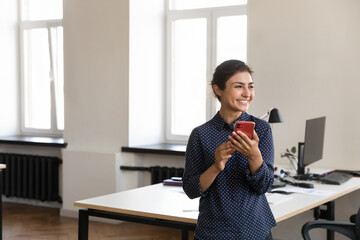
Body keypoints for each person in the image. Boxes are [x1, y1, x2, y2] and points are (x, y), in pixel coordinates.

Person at [182, 59, 276, 240]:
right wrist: (216, 166)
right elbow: (191, 190)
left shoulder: (262, 129)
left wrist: (254, 155)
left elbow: (264, 186)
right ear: (218, 89)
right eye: (239, 86)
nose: (247, 93)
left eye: (250, 86)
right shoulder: (201, 134)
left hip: (255, 230)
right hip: (213, 232)